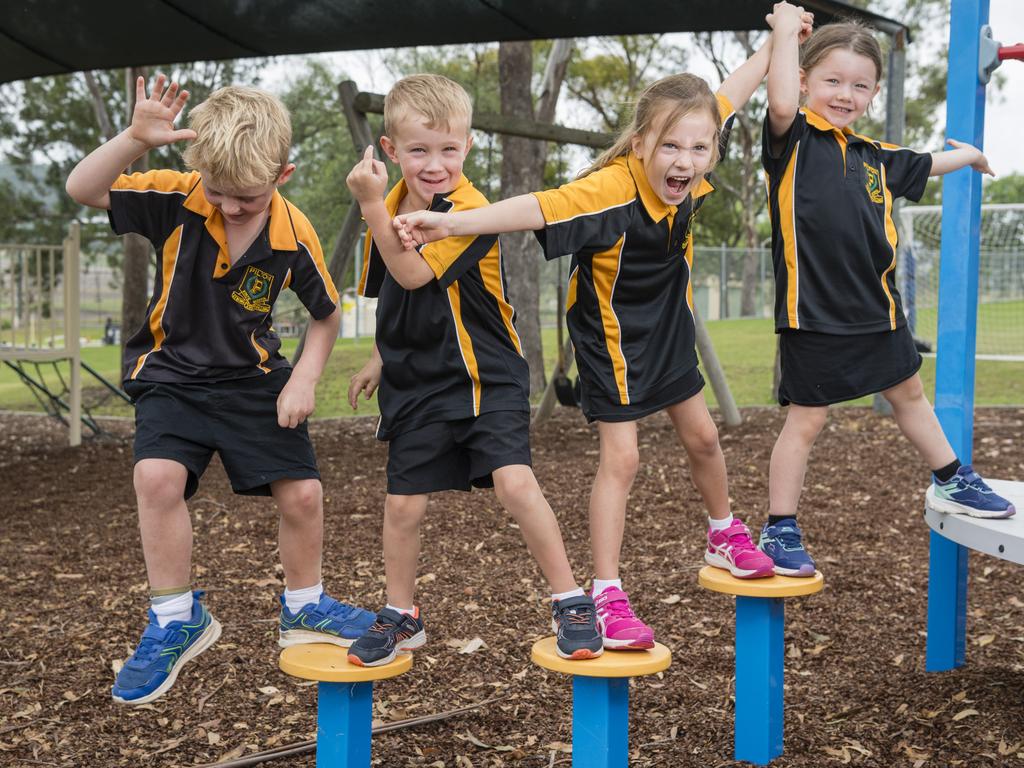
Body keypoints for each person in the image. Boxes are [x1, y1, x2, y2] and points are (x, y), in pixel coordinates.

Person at [392, 9, 812, 650]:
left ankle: (725, 532)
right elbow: (537, 207)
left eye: (699, 149)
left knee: (703, 437)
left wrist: (779, 37)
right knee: (625, 457)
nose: (686, 159)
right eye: (671, 146)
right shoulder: (610, 190)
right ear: (641, 143)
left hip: (669, 326)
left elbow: (728, 95)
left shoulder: (693, 159)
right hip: (610, 338)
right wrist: (450, 225)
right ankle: (606, 591)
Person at [65, 77, 374, 704]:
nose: (230, 207)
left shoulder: (294, 234)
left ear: (283, 174)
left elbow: (326, 314)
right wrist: (133, 137)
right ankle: (177, 620)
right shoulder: (179, 200)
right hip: (172, 376)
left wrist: (306, 381)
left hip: (253, 382)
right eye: (219, 191)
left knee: (304, 493)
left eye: (248, 198)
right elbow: (83, 188)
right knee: (155, 478)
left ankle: (305, 606)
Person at [344, 74, 602, 666]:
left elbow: (414, 274)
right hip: (418, 380)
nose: (435, 165)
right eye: (418, 150)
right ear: (390, 150)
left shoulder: (471, 210)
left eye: (449, 149)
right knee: (403, 505)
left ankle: (569, 599)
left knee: (514, 482)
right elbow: (396, 295)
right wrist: (381, 358)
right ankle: (402, 615)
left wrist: (365, 206)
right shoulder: (384, 210)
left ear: (467, 146)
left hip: (485, 373)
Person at [757, 9, 1015, 577]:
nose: (845, 94)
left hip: (880, 312)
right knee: (806, 421)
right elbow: (776, 104)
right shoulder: (792, 140)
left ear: (873, 93)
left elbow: (926, 163)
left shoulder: (875, 156)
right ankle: (780, 528)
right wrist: (781, 35)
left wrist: (969, 155)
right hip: (814, 316)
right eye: (832, 80)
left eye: (859, 85)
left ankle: (952, 479)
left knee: (910, 398)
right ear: (803, 81)